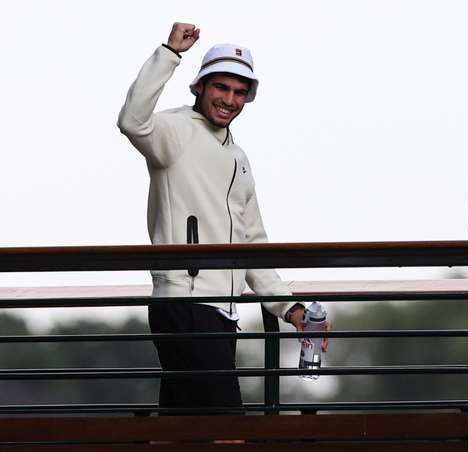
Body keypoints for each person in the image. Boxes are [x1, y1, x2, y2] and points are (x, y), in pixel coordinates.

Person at [118, 23, 319, 410]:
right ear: (200, 86)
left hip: (223, 315)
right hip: (185, 305)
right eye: (221, 88)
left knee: (182, 434)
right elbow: (131, 120)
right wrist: (170, 53)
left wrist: (288, 307)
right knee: (227, 425)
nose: (229, 99)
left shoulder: (239, 158)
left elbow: (253, 244)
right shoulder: (174, 130)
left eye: (240, 92)